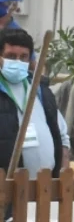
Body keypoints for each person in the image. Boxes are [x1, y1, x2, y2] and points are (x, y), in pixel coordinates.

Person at [0, 31, 68, 177]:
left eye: (23, 57)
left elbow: (62, 136)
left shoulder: (41, 91)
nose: (18, 62)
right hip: (7, 188)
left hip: (44, 188)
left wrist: (63, 175)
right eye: (11, 56)